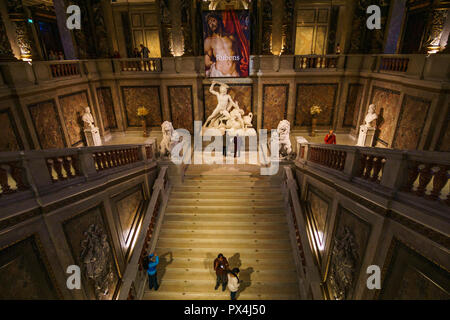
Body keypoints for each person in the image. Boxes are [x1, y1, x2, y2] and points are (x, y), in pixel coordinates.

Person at [204, 12, 239, 77]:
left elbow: (237, 55)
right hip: (219, 73)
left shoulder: (231, 37)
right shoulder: (209, 41)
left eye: (213, 21)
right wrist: (218, 64)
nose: (212, 24)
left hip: (234, 73)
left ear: (219, 21)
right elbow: (207, 62)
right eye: (209, 23)